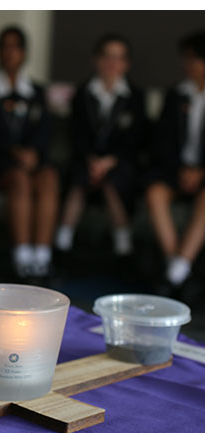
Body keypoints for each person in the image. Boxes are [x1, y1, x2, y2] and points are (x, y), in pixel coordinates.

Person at [0, 25, 56, 278]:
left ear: (24, 53)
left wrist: (33, 153)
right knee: (19, 179)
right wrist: (14, 152)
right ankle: (22, 258)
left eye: (16, 47)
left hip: (29, 164)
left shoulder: (36, 91)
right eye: (5, 46)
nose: (10, 52)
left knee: (48, 177)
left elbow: (43, 132)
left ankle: (42, 257)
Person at [55, 34, 146, 256]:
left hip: (119, 162)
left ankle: (123, 247)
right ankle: (61, 244)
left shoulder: (135, 96)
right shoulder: (82, 93)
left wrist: (109, 162)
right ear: (96, 60)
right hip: (87, 159)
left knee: (113, 182)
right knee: (79, 178)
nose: (112, 63)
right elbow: (76, 134)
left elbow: (137, 139)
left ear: (127, 63)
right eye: (107, 56)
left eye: (119, 57)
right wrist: (92, 160)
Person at [146, 31, 204, 287]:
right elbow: (162, 142)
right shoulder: (176, 95)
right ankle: (175, 267)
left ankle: (176, 272)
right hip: (176, 171)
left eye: (194, 59)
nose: (188, 65)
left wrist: (201, 171)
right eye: (187, 58)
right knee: (155, 192)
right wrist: (181, 169)